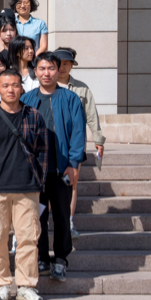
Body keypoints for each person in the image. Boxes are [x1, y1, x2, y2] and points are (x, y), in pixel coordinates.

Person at [0, 70, 47, 300]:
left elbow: (43, 153)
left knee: (28, 239)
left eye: (15, 85)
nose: (10, 90)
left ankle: (26, 286)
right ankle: (2, 285)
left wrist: (40, 183)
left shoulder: (34, 116)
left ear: (21, 88)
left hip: (27, 187)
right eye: (5, 86)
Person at [22, 52, 86, 283]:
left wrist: (73, 164)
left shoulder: (70, 99)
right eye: (42, 68)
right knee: (37, 216)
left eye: (51, 68)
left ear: (58, 70)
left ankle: (60, 259)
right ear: (35, 71)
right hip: (35, 171)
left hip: (61, 170)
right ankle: (41, 257)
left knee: (61, 216)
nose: (46, 73)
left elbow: (78, 133)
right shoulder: (27, 99)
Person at [55, 46, 105, 240]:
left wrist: (98, 139)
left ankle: (68, 221)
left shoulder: (82, 89)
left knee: (72, 183)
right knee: (49, 183)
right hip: (51, 142)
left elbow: (91, 115)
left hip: (74, 143)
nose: (62, 68)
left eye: (66, 64)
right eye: (59, 64)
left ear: (72, 66)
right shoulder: (44, 86)